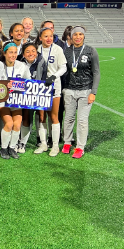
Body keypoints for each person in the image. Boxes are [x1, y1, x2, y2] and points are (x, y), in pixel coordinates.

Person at [62, 26, 100, 158]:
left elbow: (96, 72)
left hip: (85, 90)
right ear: (70, 37)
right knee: (69, 118)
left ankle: (80, 147)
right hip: (69, 90)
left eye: (80, 34)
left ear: (84, 36)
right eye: (75, 35)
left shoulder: (91, 51)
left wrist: (93, 92)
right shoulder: (66, 51)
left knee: (82, 120)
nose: (78, 37)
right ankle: (67, 142)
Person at [35, 27, 67, 156]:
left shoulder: (57, 49)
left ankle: (55, 146)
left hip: (54, 85)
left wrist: (53, 77)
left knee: (53, 116)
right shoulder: (36, 49)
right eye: (46, 36)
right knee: (41, 116)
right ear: (40, 38)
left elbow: (63, 67)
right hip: (40, 87)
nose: (49, 39)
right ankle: (43, 144)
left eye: (51, 36)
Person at [0, 43, 31, 159]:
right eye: (10, 52)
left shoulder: (22, 66)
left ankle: (12, 147)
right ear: (4, 53)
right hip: (3, 100)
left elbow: (29, 83)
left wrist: (19, 85)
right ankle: (3, 148)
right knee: (9, 123)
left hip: (17, 100)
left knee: (17, 125)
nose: (13, 55)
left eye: (15, 52)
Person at [17, 42, 47, 153]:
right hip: (25, 95)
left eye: (33, 51)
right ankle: (22, 143)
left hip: (39, 93)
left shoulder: (42, 61)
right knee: (26, 116)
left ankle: (43, 143)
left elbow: (44, 77)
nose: (31, 53)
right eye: (27, 51)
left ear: (37, 51)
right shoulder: (19, 62)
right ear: (23, 54)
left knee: (41, 115)